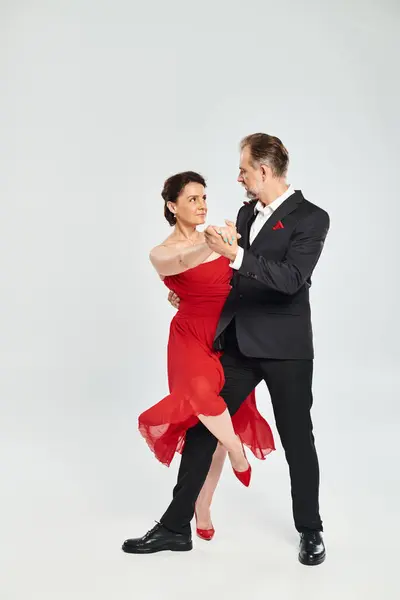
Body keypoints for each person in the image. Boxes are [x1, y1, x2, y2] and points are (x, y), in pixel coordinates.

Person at [122, 133, 330, 566]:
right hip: (238, 341)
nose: (238, 178)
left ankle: (310, 530)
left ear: (264, 171)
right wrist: (185, 293)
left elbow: (290, 279)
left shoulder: (312, 218)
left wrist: (235, 256)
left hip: (286, 348)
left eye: (243, 170)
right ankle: (176, 526)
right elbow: (231, 276)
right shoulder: (244, 213)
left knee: (297, 439)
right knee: (202, 429)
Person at [129, 170, 275, 544]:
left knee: (211, 426)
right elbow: (183, 262)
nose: (201, 205)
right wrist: (213, 242)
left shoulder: (219, 240)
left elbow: (240, 280)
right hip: (189, 339)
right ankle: (238, 451)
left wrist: (226, 248)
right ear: (171, 206)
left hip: (226, 336)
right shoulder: (162, 251)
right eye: (192, 199)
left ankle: (203, 506)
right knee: (202, 400)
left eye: (203, 198)